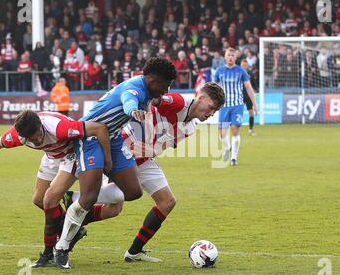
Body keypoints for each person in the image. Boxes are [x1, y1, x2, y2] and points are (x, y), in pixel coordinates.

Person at [62, 83, 225, 263]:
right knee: (114, 208)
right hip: (124, 149)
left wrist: (149, 150)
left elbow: (161, 147)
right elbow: (152, 99)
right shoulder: (178, 102)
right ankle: (76, 206)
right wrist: (145, 124)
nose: (211, 113)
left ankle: (133, 252)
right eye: (211, 108)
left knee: (167, 202)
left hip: (144, 159)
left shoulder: (190, 128)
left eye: (215, 111)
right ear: (201, 98)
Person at [53, 57, 176, 269]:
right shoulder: (134, 88)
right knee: (90, 197)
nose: (166, 90)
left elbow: (148, 102)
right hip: (89, 137)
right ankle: (61, 247)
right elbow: (129, 101)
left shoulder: (148, 89)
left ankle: (73, 198)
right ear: (154, 79)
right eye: (166, 85)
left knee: (133, 192)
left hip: (113, 137)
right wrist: (133, 111)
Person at [0, 110, 112, 267]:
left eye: (38, 135)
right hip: (51, 156)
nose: (36, 140)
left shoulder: (58, 127)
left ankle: (48, 254)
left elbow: (98, 128)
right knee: (38, 200)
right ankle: (70, 227)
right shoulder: (19, 135)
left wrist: (107, 160)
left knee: (49, 200)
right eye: (31, 138)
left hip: (71, 154)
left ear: (41, 126)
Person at [213, 48, 257, 166]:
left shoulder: (241, 71)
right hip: (224, 105)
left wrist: (254, 104)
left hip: (237, 105)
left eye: (233, 55)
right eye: (228, 55)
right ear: (225, 56)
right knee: (222, 134)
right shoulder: (219, 71)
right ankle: (227, 148)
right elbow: (214, 88)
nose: (230, 57)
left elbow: (248, 88)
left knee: (235, 130)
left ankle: (233, 158)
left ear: (235, 57)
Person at [240, 59, 256, 135]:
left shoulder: (250, 74)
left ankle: (251, 129)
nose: (244, 67)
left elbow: (254, 84)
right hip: (240, 95)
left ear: (247, 66)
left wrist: (255, 90)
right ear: (240, 65)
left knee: (251, 112)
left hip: (249, 95)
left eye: (245, 65)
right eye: (243, 65)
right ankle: (236, 128)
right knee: (237, 112)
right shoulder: (237, 74)